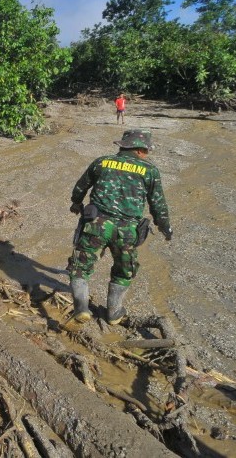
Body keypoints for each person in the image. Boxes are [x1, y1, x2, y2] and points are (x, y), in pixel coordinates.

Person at [64, 129, 172, 331]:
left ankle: (81, 308)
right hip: (127, 231)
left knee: (80, 266)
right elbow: (158, 205)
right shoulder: (150, 171)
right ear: (139, 150)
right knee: (124, 270)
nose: (147, 154)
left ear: (123, 146)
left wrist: (76, 204)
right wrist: (166, 228)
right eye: (146, 150)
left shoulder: (101, 162)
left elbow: (80, 187)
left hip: (95, 225)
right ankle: (113, 313)